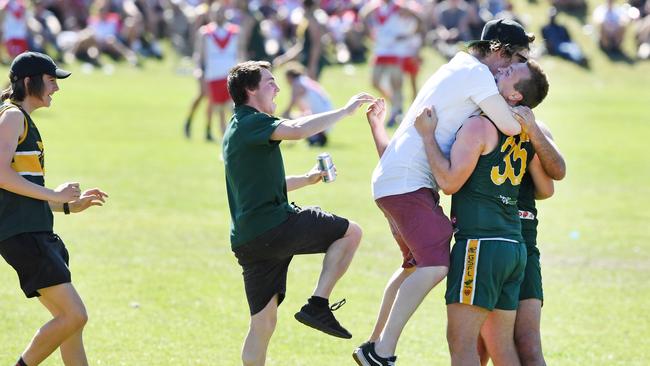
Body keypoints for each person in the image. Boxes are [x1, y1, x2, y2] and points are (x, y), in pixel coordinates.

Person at [353, 18, 535, 365]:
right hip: (409, 183)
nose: (517, 68)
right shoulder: (478, 74)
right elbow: (512, 126)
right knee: (436, 264)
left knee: (414, 265)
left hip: (396, 180)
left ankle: (373, 344)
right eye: (517, 60)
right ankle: (381, 352)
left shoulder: (458, 66)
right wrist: (524, 113)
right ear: (498, 51)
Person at [222, 60, 373, 366]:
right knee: (350, 232)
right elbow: (297, 129)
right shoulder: (253, 123)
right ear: (250, 90)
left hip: (249, 240)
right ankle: (318, 303)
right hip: (274, 227)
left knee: (262, 325)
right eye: (269, 83)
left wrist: (307, 178)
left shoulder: (237, 128)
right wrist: (344, 112)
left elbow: (264, 187)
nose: (277, 88)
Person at [413, 60, 549, 366]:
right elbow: (546, 187)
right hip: (514, 248)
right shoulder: (525, 134)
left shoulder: (479, 125)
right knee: (502, 348)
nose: (500, 71)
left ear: (515, 96)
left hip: (480, 244)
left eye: (509, 73)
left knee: (462, 347)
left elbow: (448, 182)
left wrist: (427, 136)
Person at [0, 51, 108, 366]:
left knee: (70, 324)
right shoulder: (12, 116)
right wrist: (55, 193)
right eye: (51, 81)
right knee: (74, 315)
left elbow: (20, 188)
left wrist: (69, 206)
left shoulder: (20, 118)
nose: (56, 89)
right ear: (29, 81)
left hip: (34, 231)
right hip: (23, 235)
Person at [478, 120, 566, 366]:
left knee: (524, 341)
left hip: (521, 239)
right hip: (488, 236)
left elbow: (547, 188)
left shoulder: (534, 129)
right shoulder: (478, 123)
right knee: (481, 342)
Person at [187, 3, 243, 141]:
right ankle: (203, 127)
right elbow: (199, 54)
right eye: (216, 12)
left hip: (230, 73)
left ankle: (226, 134)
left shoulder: (235, 31)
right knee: (212, 103)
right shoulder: (205, 32)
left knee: (229, 105)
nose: (218, 15)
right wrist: (199, 70)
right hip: (212, 74)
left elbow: (240, 52)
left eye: (221, 12)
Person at [361, 0, 422, 127]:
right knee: (375, 82)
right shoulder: (376, 7)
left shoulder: (398, 7)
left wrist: (408, 36)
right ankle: (395, 104)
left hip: (396, 50)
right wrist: (369, 33)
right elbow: (364, 16)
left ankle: (396, 111)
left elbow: (418, 20)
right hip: (381, 49)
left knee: (396, 83)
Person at [281, 62, 333, 146]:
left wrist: (281, 117)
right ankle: (315, 136)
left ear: (290, 77)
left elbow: (290, 106)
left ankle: (312, 138)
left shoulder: (297, 84)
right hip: (328, 114)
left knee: (290, 117)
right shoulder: (305, 80)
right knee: (298, 116)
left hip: (322, 116)